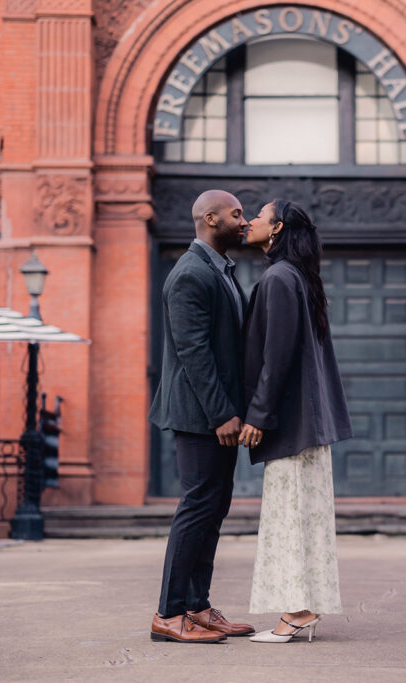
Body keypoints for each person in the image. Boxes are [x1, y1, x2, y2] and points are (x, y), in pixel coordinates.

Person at [239, 199, 353, 643]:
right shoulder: (297, 278)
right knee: (306, 517)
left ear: (277, 228)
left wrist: (258, 415)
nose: (249, 221)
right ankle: (302, 609)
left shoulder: (280, 278)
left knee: (290, 519)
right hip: (307, 423)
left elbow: (278, 356)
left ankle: (296, 613)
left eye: (258, 216)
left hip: (292, 425)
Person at [147, 189, 256, 644]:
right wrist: (222, 413)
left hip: (216, 415)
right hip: (199, 415)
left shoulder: (220, 269)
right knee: (196, 509)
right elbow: (194, 352)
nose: (244, 220)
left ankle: (197, 606)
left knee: (213, 509)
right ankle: (168, 614)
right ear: (211, 219)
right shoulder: (191, 273)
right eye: (236, 214)